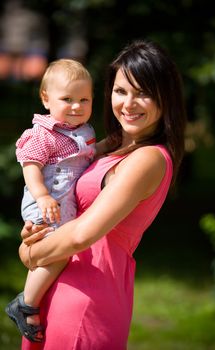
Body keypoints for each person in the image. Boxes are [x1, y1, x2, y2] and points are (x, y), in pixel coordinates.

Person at [17, 39, 186, 349]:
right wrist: (36, 231)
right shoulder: (114, 145)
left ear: (166, 99)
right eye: (121, 91)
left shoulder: (148, 159)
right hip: (60, 283)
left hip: (87, 299)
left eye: (143, 93)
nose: (128, 104)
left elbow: (82, 234)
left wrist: (29, 253)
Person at [5, 58, 97, 342]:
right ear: (46, 98)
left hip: (63, 205)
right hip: (45, 201)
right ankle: (26, 303)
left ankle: (35, 298)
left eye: (84, 99)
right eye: (67, 99)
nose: (76, 106)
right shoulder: (43, 133)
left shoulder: (84, 132)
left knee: (59, 254)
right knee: (57, 253)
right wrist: (42, 196)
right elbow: (30, 166)